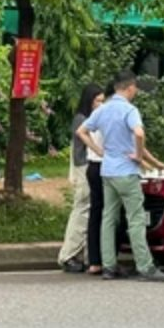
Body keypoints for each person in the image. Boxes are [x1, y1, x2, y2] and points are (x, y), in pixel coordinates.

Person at [77, 70, 164, 282]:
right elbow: (139, 133)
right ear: (129, 88)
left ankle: (108, 265)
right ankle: (145, 266)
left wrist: (98, 150)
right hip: (126, 172)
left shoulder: (103, 109)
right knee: (135, 218)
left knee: (108, 218)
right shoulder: (130, 110)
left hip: (107, 170)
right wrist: (138, 155)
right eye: (135, 88)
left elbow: (81, 131)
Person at [58, 83, 105, 273]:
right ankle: (68, 254)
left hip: (87, 166)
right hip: (84, 166)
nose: (101, 105)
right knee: (82, 210)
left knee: (88, 211)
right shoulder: (83, 120)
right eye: (98, 101)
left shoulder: (87, 117)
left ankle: (84, 255)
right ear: (89, 100)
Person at [83, 83, 113, 276]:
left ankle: (100, 259)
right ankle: (97, 259)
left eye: (103, 100)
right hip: (98, 165)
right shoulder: (98, 119)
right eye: (98, 101)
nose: (101, 104)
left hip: (101, 165)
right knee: (101, 213)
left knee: (102, 212)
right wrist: (98, 151)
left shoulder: (98, 117)